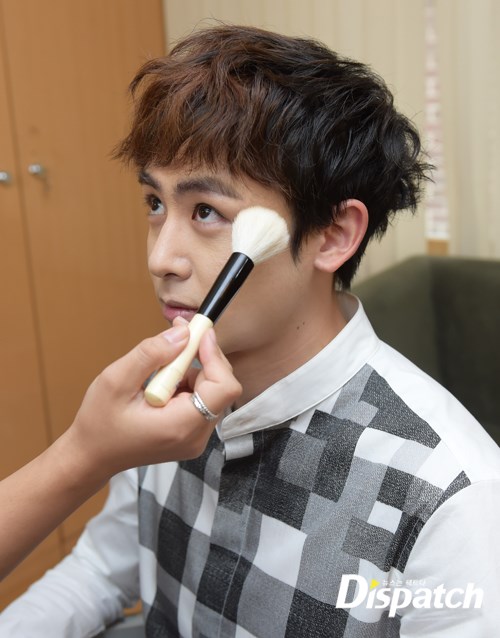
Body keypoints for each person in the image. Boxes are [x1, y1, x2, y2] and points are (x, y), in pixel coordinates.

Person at [1, 24, 499, 637]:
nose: (161, 258)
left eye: (207, 211)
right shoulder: (165, 404)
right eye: (155, 203)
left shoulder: (451, 499)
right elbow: (101, 570)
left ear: (333, 235)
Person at [0, 322, 240, 581]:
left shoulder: (167, 419)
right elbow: (101, 567)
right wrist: (85, 453)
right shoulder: (164, 425)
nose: (160, 281)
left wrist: (85, 453)